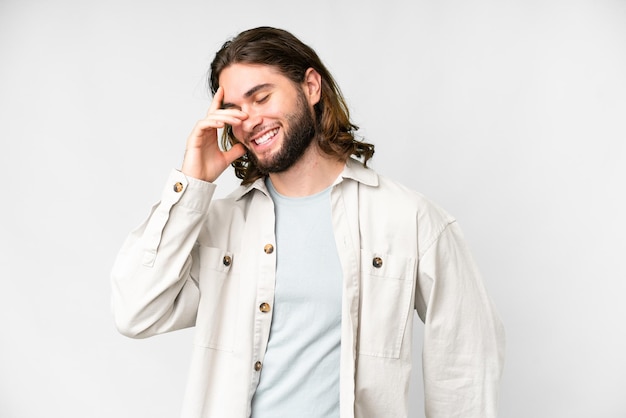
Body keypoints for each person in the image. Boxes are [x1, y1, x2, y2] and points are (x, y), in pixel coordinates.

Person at [111, 26, 505, 418]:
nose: (249, 121)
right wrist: (192, 183)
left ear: (311, 86)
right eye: (234, 111)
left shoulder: (410, 219)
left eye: (261, 97)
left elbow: (465, 363)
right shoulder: (221, 225)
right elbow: (136, 311)